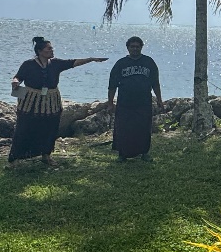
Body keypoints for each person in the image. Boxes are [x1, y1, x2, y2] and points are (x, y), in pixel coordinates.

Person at [9, 36, 107, 167]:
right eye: (49, 49)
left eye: (52, 48)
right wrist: (15, 81)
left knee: (50, 128)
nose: (52, 50)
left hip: (51, 102)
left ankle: (46, 155)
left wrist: (91, 59)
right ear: (40, 51)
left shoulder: (55, 63)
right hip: (31, 102)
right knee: (24, 128)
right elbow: (18, 76)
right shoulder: (28, 64)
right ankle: (15, 159)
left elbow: (73, 62)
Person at [107, 36, 164, 161]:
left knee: (143, 128)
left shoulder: (149, 62)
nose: (135, 49)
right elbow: (112, 85)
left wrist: (159, 99)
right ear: (128, 48)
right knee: (123, 128)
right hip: (125, 102)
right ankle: (122, 154)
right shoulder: (121, 64)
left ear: (141, 47)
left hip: (144, 102)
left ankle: (144, 153)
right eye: (132, 46)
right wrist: (110, 103)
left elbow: (155, 83)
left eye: (137, 47)